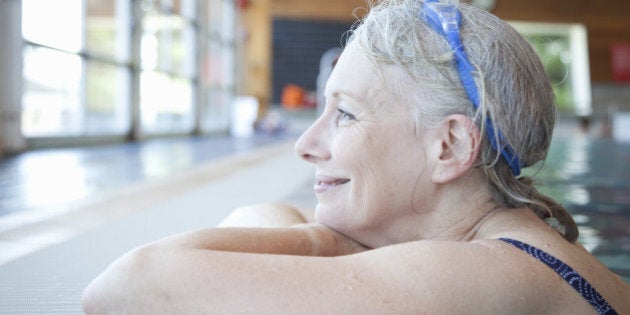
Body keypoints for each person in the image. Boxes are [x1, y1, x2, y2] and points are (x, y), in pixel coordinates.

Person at [82, 0, 630, 313]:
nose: (306, 145)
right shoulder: (514, 252)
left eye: (345, 114)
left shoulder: (488, 273)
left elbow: (126, 288)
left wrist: (321, 242)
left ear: (450, 146)